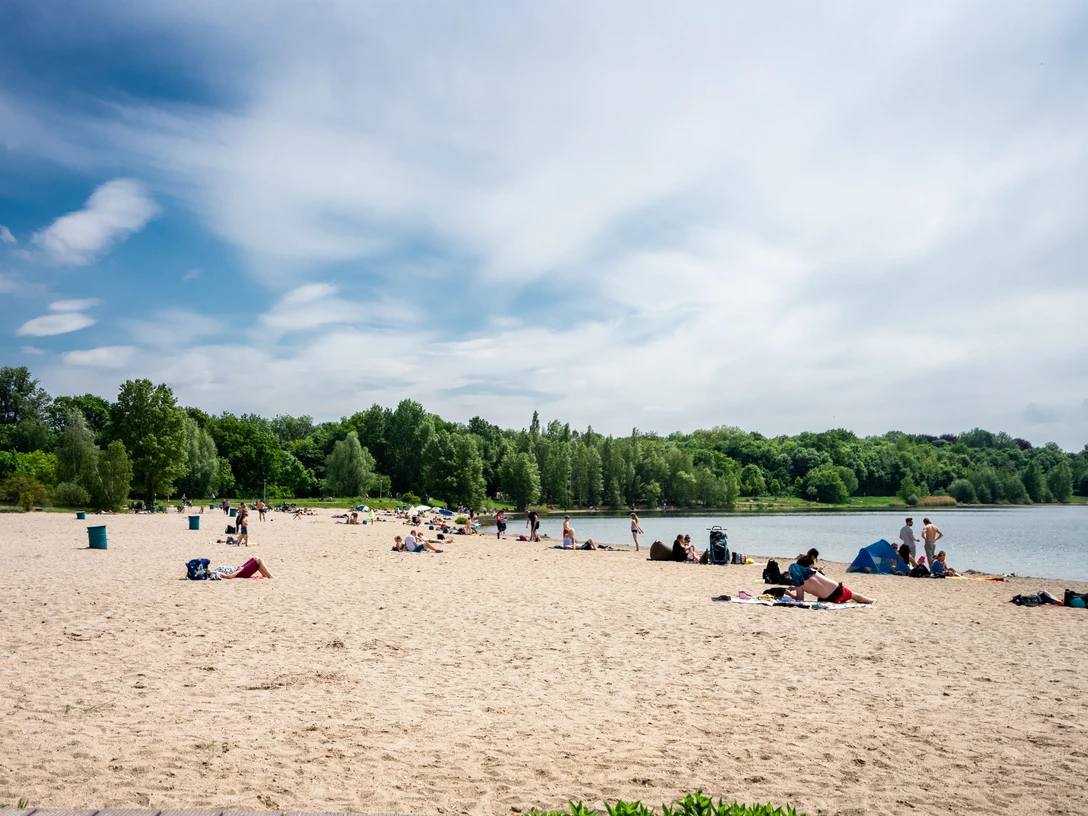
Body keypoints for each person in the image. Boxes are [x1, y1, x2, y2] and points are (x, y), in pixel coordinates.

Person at [785, 555, 874, 604]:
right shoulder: (811, 570)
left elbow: (800, 599)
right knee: (852, 594)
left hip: (829, 597)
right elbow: (815, 582)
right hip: (837, 587)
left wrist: (789, 593)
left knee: (846, 597)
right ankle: (870, 600)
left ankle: (867, 600)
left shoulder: (799, 583)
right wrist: (795, 587)